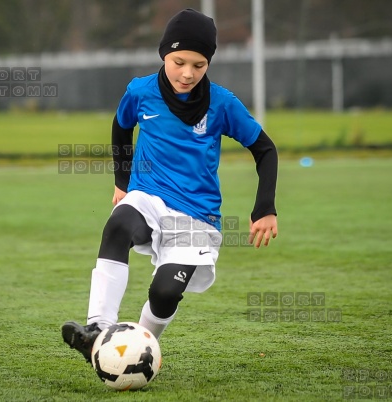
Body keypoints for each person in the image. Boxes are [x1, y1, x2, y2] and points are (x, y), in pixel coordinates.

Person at [62, 8, 278, 364]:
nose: (187, 73)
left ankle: (140, 351)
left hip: (197, 217)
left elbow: (265, 149)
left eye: (199, 65)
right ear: (164, 54)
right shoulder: (141, 91)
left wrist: (265, 208)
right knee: (117, 224)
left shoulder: (223, 104)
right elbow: (120, 128)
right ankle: (98, 332)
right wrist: (122, 182)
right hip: (148, 196)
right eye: (179, 62)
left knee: (165, 292)